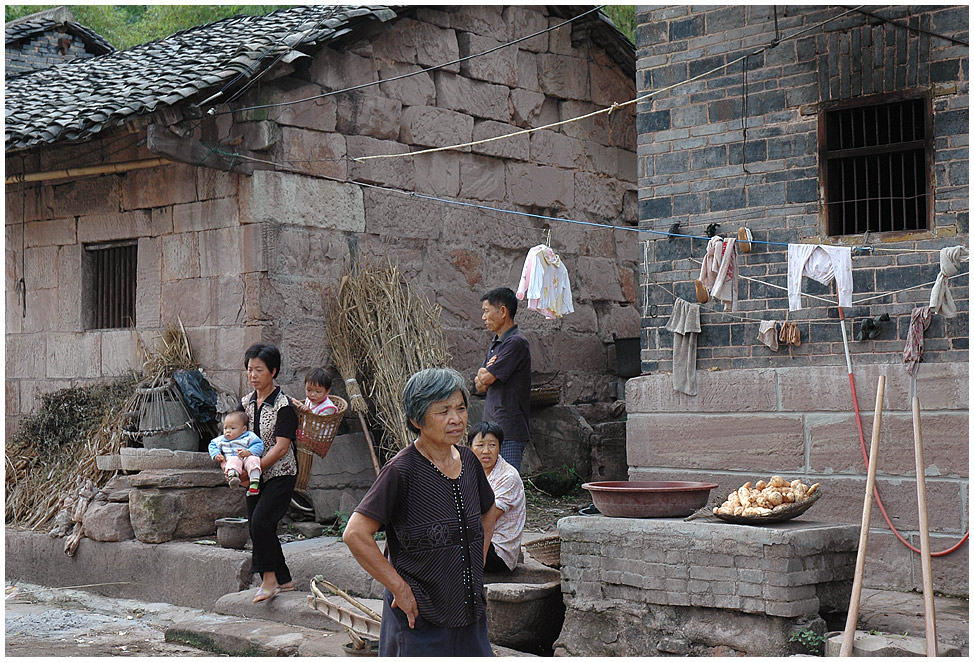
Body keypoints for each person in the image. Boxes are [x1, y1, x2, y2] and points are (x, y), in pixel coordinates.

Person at [343, 367, 495, 657]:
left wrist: (479, 557)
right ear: (416, 420)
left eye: (461, 408)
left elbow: (489, 511)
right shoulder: (402, 471)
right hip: (419, 619)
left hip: (469, 611)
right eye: (443, 411)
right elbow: (355, 534)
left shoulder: (469, 461)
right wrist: (399, 588)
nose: (456, 419)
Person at [238, 343, 300, 604]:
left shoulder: (284, 405)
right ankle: (284, 579)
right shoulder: (245, 402)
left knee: (262, 522)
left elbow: (282, 446)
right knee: (258, 526)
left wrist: (257, 467)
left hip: (281, 474)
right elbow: (238, 437)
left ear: (273, 371)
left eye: (259, 370)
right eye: (250, 370)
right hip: (255, 475)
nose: (253, 375)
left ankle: (268, 580)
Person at [475, 287, 531, 473]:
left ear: (503, 311)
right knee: (491, 487)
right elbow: (479, 385)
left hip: (509, 430)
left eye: (486, 311)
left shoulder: (516, 342)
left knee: (507, 486)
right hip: (492, 428)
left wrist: (486, 372)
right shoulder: (496, 343)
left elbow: (487, 378)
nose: (483, 317)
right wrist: (485, 373)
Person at [468, 421, 525, 573]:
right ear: (470, 448)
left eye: (492, 445)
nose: (486, 451)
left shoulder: (508, 477)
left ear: (499, 447)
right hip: (474, 537)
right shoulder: (469, 471)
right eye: (480, 445)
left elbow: (487, 517)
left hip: (498, 550)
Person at [208, 410, 265, 496]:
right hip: (233, 458)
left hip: (246, 457)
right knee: (232, 460)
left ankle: (254, 483)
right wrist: (216, 454)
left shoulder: (249, 436)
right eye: (225, 428)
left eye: (232, 428)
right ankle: (233, 478)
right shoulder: (221, 439)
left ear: (243, 429)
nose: (228, 431)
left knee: (254, 460)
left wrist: (249, 452)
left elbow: (259, 445)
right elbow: (212, 445)